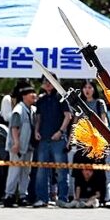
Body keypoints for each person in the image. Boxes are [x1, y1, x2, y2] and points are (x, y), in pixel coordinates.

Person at [33, 77, 72, 207]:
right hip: (43, 139)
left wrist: (60, 132)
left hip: (58, 139)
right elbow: (38, 118)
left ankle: (62, 199)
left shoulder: (62, 97)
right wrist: (36, 131)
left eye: (50, 81)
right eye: (45, 82)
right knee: (41, 171)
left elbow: (68, 116)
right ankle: (42, 199)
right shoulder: (41, 99)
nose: (47, 84)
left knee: (61, 171)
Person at [3, 86, 36, 208]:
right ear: (24, 96)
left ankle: (23, 196)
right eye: (30, 93)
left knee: (26, 172)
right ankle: (9, 196)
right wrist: (16, 143)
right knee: (14, 171)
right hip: (18, 146)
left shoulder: (32, 109)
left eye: (34, 92)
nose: (34, 95)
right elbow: (14, 127)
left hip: (28, 146)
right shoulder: (18, 110)